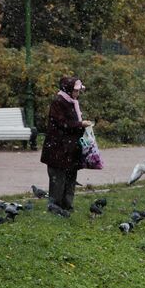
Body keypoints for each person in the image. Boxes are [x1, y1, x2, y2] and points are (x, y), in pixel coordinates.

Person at [40, 76, 92, 211]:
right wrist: (80, 124)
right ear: (68, 89)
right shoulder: (58, 102)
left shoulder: (72, 102)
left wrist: (81, 125)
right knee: (58, 178)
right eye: (76, 91)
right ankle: (55, 207)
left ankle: (67, 206)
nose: (78, 94)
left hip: (70, 147)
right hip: (58, 147)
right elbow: (62, 123)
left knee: (70, 177)